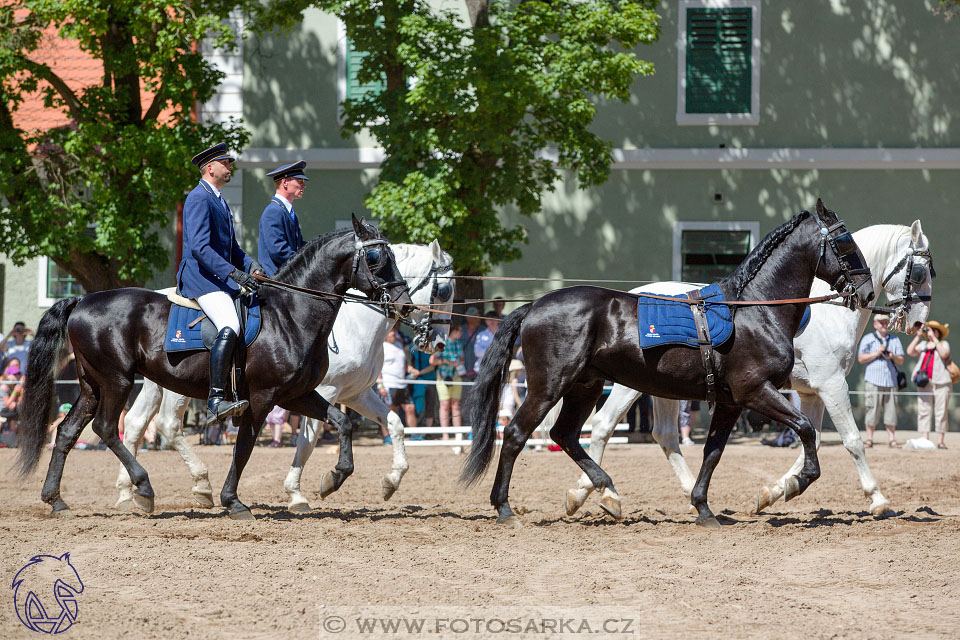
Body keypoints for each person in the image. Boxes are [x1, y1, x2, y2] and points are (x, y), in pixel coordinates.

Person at [176, 142, 263, 421]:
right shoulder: (198, 198)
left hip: (217, 276)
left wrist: (250, 264)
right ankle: (215, 399)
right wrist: (234, 274)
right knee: (231, 324)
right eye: (226, 163)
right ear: (210, 168)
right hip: (200, 278)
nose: (230, 168)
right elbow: (200, 248)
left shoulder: (219, 200)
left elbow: (232, 247)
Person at [857, 314, 905, 448]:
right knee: (872, 409)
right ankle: (869, 439)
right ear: (875, 324)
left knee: (892, 411)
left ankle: (892, 439)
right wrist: (877, 353)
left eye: (886, 322)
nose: (884, 324)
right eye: (881, 322)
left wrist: (892, 356)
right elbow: (861, 359)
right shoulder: (868, 339)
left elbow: (901, 360)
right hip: (873, 380)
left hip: (891, 381)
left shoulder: (895, 340)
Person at [257, 160, 307, 277]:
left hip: (286, 277)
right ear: (285, 183)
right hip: (276, 280)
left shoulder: (285, 210)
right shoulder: (274, 211)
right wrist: (305, 262)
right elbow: (278, 250)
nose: (304, 185)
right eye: (300, 181)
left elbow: (298, 245)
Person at [907, 321, 952, 449]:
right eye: (930, 329)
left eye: (934, 330)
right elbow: (910, 351)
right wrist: (918, 336)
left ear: (939, 332)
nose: (931, 331)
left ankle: (940, 441)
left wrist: (934, 340)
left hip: (942, 382)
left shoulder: (943, 344)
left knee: (941, 411)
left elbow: (944, 354)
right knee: (923, 410)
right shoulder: (923, 344)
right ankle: (925, 438)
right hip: (924, 382)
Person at [378, 328, 418, 442]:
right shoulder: (382, 347)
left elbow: (404, 363)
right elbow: (377, 368)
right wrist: (380, 385)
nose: (393, 334)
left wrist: (410, 369)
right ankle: (387, 436)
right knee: (389, 411)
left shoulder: (399, 344)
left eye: (394, 331)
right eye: (391, 332)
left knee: (410, 408)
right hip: (388, 384)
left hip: (402, 383)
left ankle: (414, 435)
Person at [431, 323, 464, 442]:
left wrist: (458, 364)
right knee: (444, 405)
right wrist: (445, 361)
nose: (461, 333)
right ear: (453, 331)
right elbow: (432, 361)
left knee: (456, 405)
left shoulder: (458, 344)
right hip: (443, 377)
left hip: (456, 377)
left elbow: (461, 359)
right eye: (459, 330)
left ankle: (457, 434)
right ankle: (445, 435)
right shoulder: (442, 344)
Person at [410, 346, 437, 430]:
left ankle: (428, 431)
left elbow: (432, 366)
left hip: (430, 380)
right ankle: (416, 429)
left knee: (430, 405)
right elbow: (408, 358)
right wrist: (412, 369)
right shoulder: (413, 347)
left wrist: (419, 372)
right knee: (417, 404)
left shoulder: (432, 349)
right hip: (418, 381)